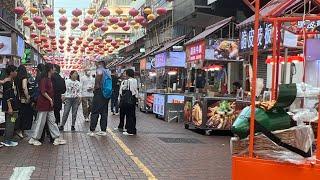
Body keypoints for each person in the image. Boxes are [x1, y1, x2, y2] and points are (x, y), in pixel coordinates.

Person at [28, 63, 66, 146]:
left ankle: (56, 137)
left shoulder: (49, 78)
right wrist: (50, 99)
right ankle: (34, 138)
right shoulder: (44, 79)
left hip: (49, 104)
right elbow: (43, 91)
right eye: (53, 68)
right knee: (40, 121)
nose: (54, 70)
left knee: (52, 121)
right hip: (44, 103)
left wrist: (50, 100)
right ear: (50, 69)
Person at [87, 59, 110, 136]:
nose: (95, 64)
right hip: (106, 93)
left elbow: (98, 81)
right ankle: (103, 130)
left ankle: (92, 130)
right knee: (104, 112)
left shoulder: (100, 70)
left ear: (100, 63)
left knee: (95, 111)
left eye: (96, 62)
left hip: (99, 92)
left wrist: (95, 88)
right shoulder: (107, 71)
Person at [0, 65, 19, 147]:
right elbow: (7, 96)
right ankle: (7, 140)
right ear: (11, 72)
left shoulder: (10, 81)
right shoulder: (8, 82)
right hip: (10, 107)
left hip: (13, 107)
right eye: (15, 71)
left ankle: (8, 139)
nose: (16, 72)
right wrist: (10, 108)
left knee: (11, 122)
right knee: (10, 123)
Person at [117, 69, 138, 136]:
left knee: (129, 115)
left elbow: (123, 89)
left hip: (128, 99)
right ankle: (132, 129)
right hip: (133, 99)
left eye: (125, 73)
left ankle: (130, 131)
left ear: (128, 74)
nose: (124, 74)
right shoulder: (135, 80)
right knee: (132, 115)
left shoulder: (127, 81)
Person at [15, 65, 33, 138]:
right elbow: (24, 87)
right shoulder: (24, 78)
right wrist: (27, 96)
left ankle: (21, 131)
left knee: (20, 115)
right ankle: (20, 131)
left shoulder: (16, 78)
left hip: (18, 99)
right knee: (25, 116)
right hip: (24, 99)